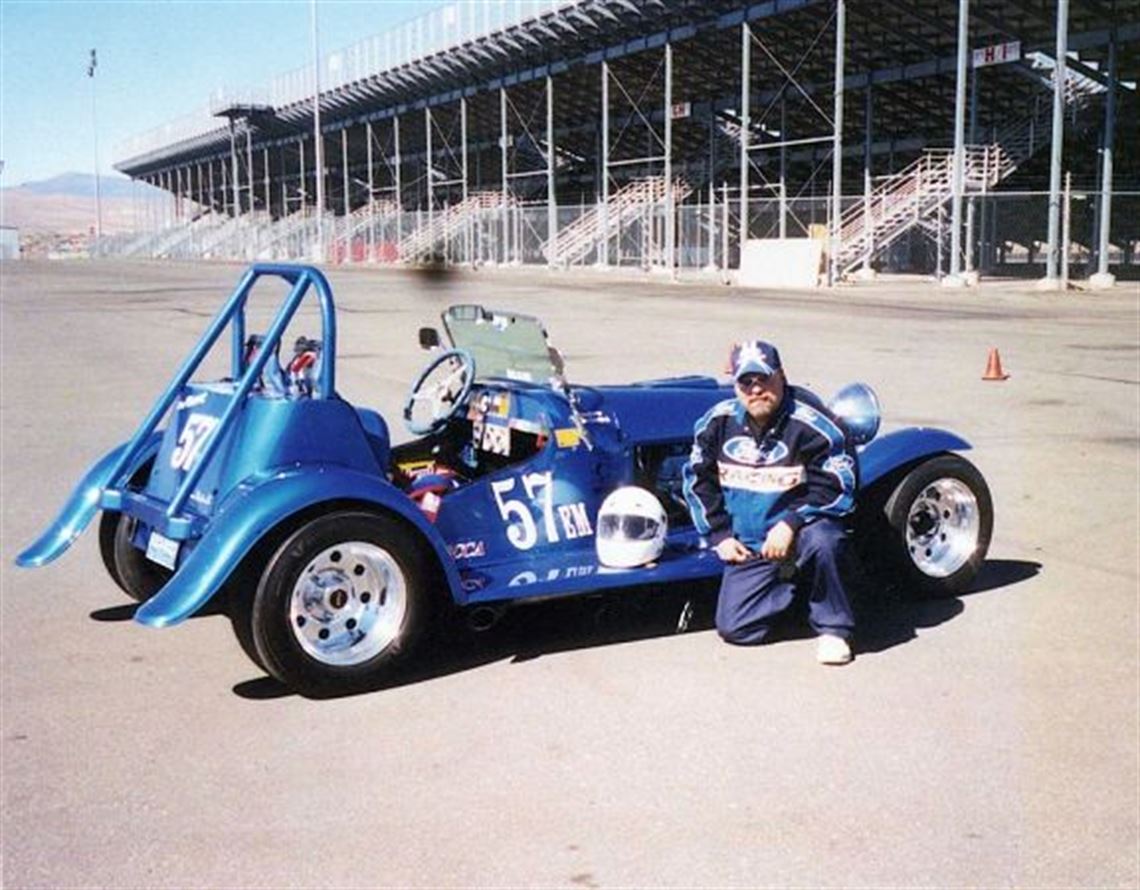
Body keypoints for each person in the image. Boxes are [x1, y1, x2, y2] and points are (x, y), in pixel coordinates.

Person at [683, 340, 861, 665]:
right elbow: (697, 480)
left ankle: (834, 628)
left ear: (781, 376)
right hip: (753, 542)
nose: (756, 389)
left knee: (825, 540)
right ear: (735, 385)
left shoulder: (814, 423)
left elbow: (838, 485)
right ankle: (803, 591)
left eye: (764, 379)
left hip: (802, 533)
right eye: (746, 382)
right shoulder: (716, 423)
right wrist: (720, 536)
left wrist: (791, 522)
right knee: (735, 627)